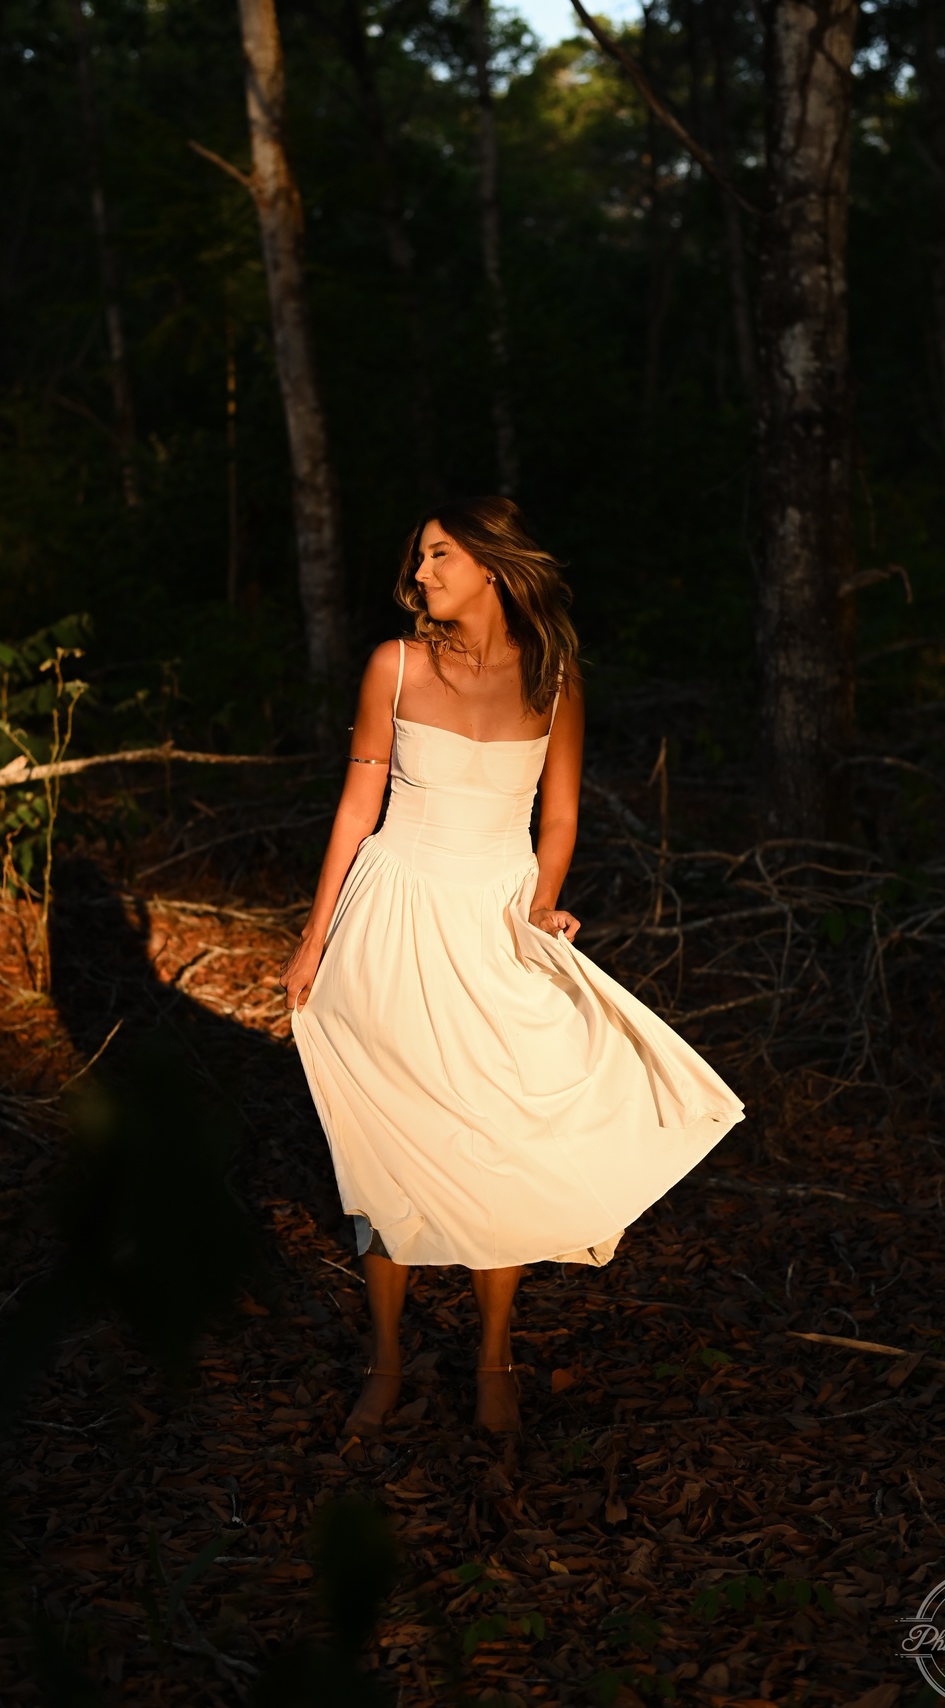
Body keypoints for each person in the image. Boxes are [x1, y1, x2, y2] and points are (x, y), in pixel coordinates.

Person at [280, 498, 743, 1436]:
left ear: (491, 566)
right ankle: (385, 1361)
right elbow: (357, 805)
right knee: (389, 1141)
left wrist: (540, 904)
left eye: (438, 556)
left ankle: (494, 1360)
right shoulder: (395, 665)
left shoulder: (554, 678)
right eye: (419, 559)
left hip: (494, 912)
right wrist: (314, 936)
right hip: (393, 910)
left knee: (497, 1135)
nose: (420, 574)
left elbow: (559, 817)